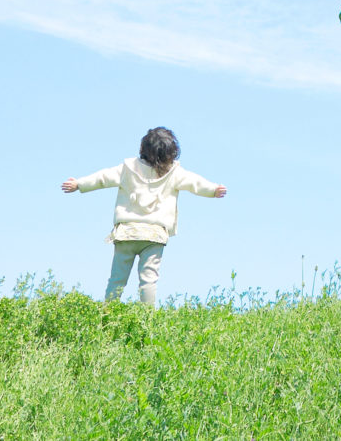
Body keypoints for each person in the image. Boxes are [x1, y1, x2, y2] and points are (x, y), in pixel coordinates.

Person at [60, 125, 228, 306]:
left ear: (143, 148)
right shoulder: (174, 172)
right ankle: (147, 318)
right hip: (154, 234)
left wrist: (79, 184)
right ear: (172, 152)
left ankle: (107, 314)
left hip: (127, 232)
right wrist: (213, 190)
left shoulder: (128, 168)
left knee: (117, 279)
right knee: (149, 280)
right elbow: (195, 182)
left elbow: (103, 177)